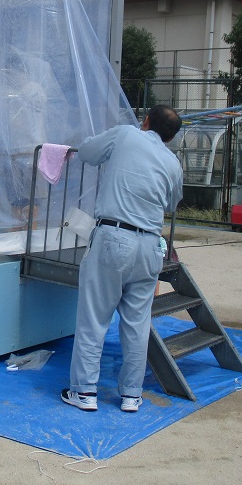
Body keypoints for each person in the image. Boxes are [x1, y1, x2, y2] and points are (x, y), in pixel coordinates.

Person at [61, 104, 183, 413]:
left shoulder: (126, 135)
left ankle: (85, 392)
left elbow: (88, 151)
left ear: (145, 121)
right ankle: (131, 395)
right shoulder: (173, 163)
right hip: (150, 246)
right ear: (170, 138)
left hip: (114, 238)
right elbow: (171, 201)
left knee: (94, 318)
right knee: (137, 324)